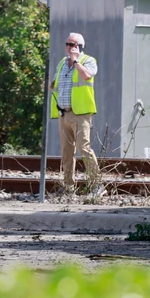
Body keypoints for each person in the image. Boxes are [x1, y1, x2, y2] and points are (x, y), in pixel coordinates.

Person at [50, 32, 99, 190]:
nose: (69, 48)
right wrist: (47, 85)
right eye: (67, 44)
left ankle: (97, 185)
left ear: (80, 47)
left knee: (84, 148)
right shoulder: (62, 63)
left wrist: (76, 61)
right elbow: (55, 84)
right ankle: (68, 186)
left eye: (72, 45)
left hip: (80, 113)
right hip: (63, 113)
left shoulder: (88, 61)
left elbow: (86, 76)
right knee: (67, 151)